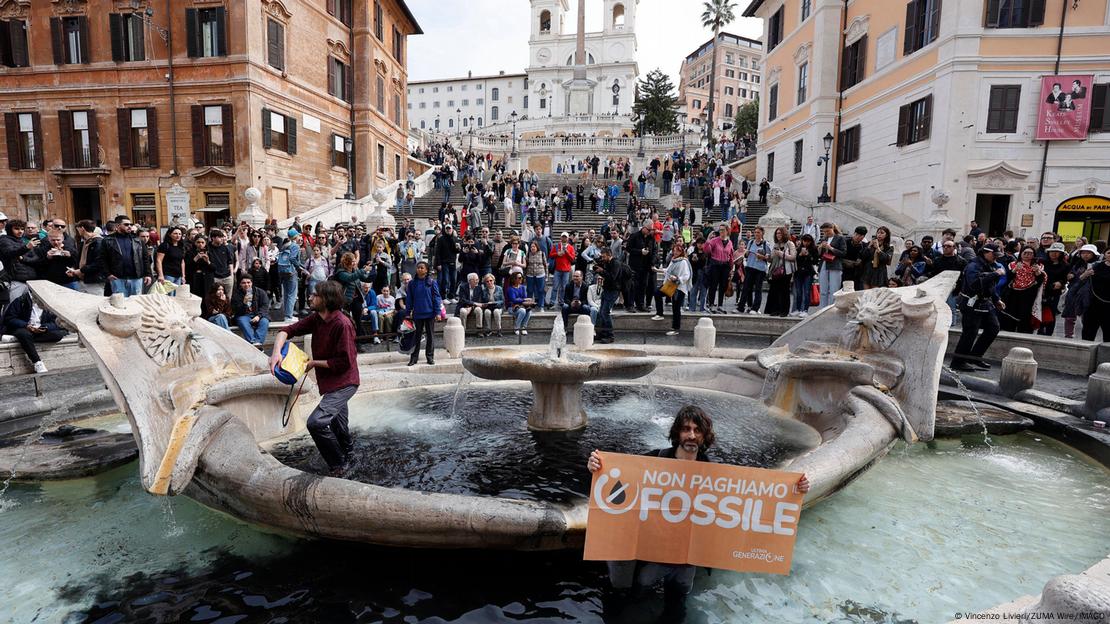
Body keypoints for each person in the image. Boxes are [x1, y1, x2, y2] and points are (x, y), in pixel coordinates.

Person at [587, 406, 810, 622]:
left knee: (675, 608)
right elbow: (616, 480)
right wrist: (597, 466)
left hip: (687, 561)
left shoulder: (715, 474)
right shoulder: (654, 461)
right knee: (635, 599)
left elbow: (755, 501)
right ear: (677, 433)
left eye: (697, 430)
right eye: (686, 429)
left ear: (704, 435)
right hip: (653, 556)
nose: (691, 435)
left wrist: (794, 489)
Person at [270, 280, 359, 477]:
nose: (310, 297)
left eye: (314, 295)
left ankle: (338, 465)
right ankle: (350, 456)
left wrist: (312, 364)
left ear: (326, 300)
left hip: (345, 382)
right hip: (330, 382)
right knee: (337, 424)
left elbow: (345, 362)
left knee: (316, 423)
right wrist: (276, 353)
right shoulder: (317, 318)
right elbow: (286, 330)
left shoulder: (342, 325)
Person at [950, 245, 1004, 372]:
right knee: (970, 333)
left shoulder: (990, 265)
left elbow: (990, 286)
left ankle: (974, 356)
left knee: (993, 328)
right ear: (985, 253)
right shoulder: (973, 266)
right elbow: (974, 284)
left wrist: (996, 299)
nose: (996, 258)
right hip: (971, 303)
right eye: (994, 255)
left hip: (985, 302)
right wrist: (994, 274)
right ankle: (958, 362)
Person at [100, 216, 152, 297]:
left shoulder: (137, 240)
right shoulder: (107, 240)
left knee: (135, 304)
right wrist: (107, 274)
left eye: (131, 224)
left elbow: (145, 259)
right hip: (117, 278)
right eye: (126, 224)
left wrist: (148, 274)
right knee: (119, 305)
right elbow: (102, 259)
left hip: (136, 278)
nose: (130, 226)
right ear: (118, 226)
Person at [999, 247, 1046, 334]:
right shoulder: (1013, 264)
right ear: (1021, 253)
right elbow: (1007, 278)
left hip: (1029, 294)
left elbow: (1040, 282)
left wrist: (1037, 272)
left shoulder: (1039, 266)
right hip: (1013, 293)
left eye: (1030, 253)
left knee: (1025, 316)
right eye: (1025, 253)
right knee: (1011, 315)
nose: (1028, 255)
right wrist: (1015, 270)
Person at [651, 243, 692, 336]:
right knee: (657, 293)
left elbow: (686, 276)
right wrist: (658, 270)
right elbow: (668, 270)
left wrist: (677, 278)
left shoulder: (684, 262)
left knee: (676, 308)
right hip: (670, 285)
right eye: (674, 250)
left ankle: (675, 329)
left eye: (678, 250)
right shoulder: (674, 260)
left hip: (679, 288)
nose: (675, 252)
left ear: (682, 251)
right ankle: (660, 313)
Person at [407, 261, 442, 366]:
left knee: (430, 336)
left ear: (426, 270)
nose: (419, 269)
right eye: (418, 268)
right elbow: (409, 299)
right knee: (416, 337)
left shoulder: (432, 282)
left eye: (422, 268)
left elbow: (436, 298)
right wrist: (408, 312)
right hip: (417, 314)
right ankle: (414, 358)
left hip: (430, 313)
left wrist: (438, 312)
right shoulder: (412, 283)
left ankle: (430, 357)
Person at [592, 247, 628, 344]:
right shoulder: (607, 263)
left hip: (613, 291)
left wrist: (602, 271)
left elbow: (613, 277)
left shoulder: (615, 263)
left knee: (605, 312)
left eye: (603, 256)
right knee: (601, 312)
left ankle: (610, 335)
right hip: (606, 289)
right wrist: (599, 269)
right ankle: (603, 333)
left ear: (609, 255)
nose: (602, 258)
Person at [1062, 244, 1098, 339]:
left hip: (1089, 294)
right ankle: (1068, 335)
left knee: (1086, 317)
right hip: (1074, 292)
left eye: (1088, 253)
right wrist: (1070, 276)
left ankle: (1086, 338)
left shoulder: (1097, 265)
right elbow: (1072, 275)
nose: (1085, 255)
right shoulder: (1077, 264)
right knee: (1070, 316)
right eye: (1083, 253)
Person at [230, 275, 271, 346]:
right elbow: (235, 310)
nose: (246, 285)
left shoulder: (260, 292)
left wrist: (259, 316)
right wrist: (244, 303)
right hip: (244, 315)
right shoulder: (236, 294)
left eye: (248, 282)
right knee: (242, 321)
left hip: (258, 314)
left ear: (252, 283)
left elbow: (265, 307)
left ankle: (257, 343)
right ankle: (253, 342)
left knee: (265, 321)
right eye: (244, 283)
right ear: (240, 284)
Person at [1080, 248, 1110, 342]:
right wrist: (1086, 274)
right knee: (1088, 333)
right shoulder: (1096, 266)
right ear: (1104, 254)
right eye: (1109, 253)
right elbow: (1081, 279)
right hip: (1093, 303)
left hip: (1109, 306)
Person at [738, 227, 770, 315]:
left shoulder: (765, 244)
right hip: (750, 267)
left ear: (762, 233)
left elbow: (769, 257)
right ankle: (741, 307)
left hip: (760, 269)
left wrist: (762, 257)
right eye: (755, 232)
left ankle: (755, 308)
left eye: (758, 232)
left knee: (758, 289)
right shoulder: (751, 242)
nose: (756, 234)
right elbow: (746, 254)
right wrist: (746, 254)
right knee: (745, 288)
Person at [276, 230, 305, 322]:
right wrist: (299, 267)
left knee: (286, 294)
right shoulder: (295, 246)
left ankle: (287, 315)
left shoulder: (284, 245)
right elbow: (292, 258)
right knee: (292, 294)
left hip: (282, 271)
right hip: (291, 271)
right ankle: (289, 316)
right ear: (296, 236)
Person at [816, 222, 846, 308]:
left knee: (834, 289)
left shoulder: (840, 238)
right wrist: (820, 248)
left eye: (828, 231)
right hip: (824, 264)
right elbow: (819, 255)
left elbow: (843, 253)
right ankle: (822, 309)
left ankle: (832, 308)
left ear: (833, 229)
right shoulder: (824, 239)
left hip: (835, 264)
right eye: (824, 232)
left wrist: (831, 248)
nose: (826, 233)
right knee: (823, 290)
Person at [790, 234, 817, 317]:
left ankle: (805, 310)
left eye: (808, 241)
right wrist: (800, 255)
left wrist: (808, 255)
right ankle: (797, 309)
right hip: (798, 273)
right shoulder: (798, 249)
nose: (806, 243)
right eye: (804, 241)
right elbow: (794, 261)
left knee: (807, 292)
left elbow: (815, 261)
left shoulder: (813, 249)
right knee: (798, 292)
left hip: (808, 272)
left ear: (811, 242)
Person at [155, 226, 187, 295]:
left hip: (178, 275)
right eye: (175, 233)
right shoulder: (164, 245)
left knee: (175, 296)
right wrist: (161, 275)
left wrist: (183, 276)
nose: (178, 235)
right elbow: (158, 260)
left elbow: (182, 262)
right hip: (168, 275)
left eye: (179, 234)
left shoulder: (181, 246)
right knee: (168, 296)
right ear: (170, 234)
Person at [550, 232, 577, 308]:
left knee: (564, 287)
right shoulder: (556, 246)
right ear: (561, 238)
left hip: (566, 270)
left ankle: (561, 301)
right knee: (555, 286)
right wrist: (557, 254)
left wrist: (566, 252)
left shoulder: (570, 247)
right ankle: (552, 301)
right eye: (563, 237)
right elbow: (551, 255)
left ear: (568, 238)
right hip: (557, 269)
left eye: (565, 237)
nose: (564, 238)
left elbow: (572, 259)